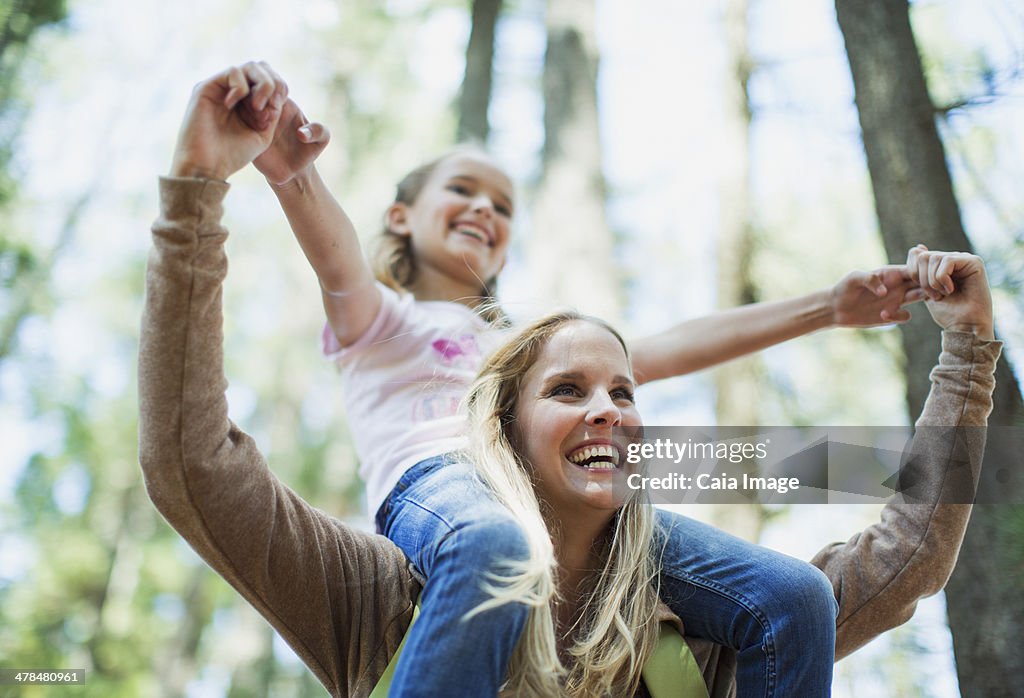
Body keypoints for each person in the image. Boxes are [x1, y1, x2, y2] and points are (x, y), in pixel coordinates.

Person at [140, 64, 1000, 697]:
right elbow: (324, 278)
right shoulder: (388, 337)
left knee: (793, 574)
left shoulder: (563, 385)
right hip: (445, 498)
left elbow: (890, 524)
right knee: (494, 546)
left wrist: (841, 311)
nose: (604, 408)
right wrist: (276, 172)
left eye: (622, 396)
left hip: (594, 507)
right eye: (463, 190)